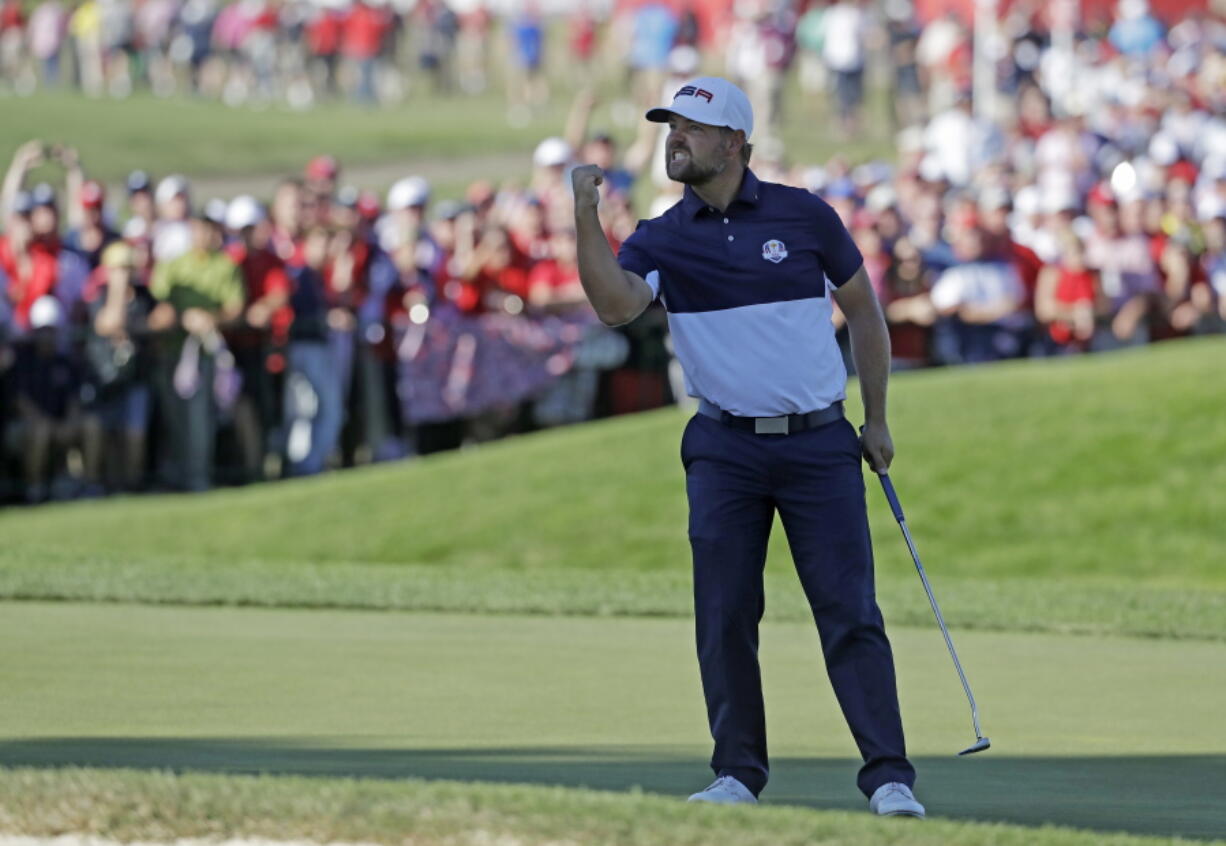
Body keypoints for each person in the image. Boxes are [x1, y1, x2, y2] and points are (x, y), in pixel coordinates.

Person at [571, 76, 923, 818]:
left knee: (848, 609)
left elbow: (862, 310)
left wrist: (877, 417)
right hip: (723, 447)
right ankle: (737, 772)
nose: (675, 139)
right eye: (670, 127)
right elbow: (613, 305)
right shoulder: (661, 235)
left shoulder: (805, 216)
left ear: (734, 142)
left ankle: (890, 777)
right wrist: (584, 215)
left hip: (820, 443)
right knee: (725, 611)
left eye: (691, 129)